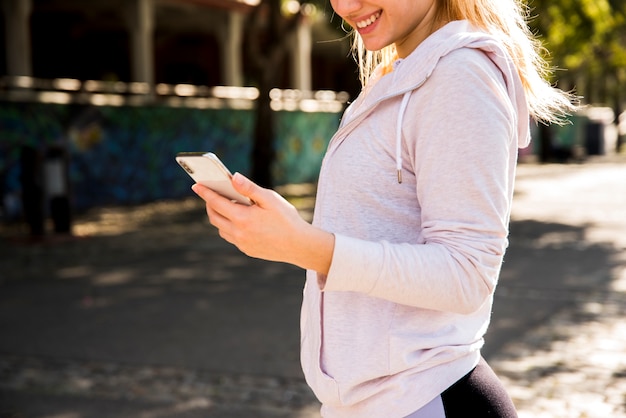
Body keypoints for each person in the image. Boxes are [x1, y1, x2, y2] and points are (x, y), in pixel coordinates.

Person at [192, 0, 575, 416]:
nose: (345, 6)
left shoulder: (460, 76)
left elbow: (468, 274)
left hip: (425, 399)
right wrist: (288, 237)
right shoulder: (397, 73)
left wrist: (305, 246)